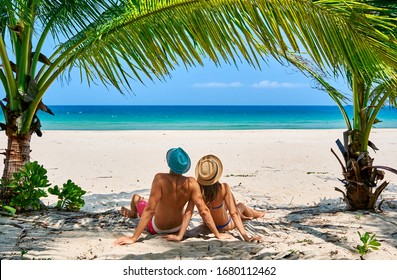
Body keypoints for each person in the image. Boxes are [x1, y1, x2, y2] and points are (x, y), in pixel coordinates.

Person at [114, 147, 231, 245]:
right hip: (178, 227)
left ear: (169, 163)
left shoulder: (159, 179)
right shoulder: (192, 183)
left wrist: (134, 238)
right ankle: (133, 213)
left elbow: (150, 210)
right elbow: (203, 210)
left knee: (136, 198)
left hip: (158, 227)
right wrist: (218, 235)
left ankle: (133, 213)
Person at [165, 154, 264, 242]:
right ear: (216, 174)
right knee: (240, 206)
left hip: (208, 225)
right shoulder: (224, 188)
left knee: (226, 204)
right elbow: (233, 213)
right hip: (226, 225)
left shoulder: (197, 189)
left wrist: (179, 236)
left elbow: (188, 213)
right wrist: (245, 236)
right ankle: (258, 214)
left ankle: (246, 216)